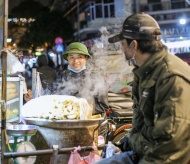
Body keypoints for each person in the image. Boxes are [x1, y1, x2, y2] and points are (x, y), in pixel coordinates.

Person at [93, 13, 190, 164]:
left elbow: (171, 149)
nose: (121, 48)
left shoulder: (170, 77)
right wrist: (128, 141)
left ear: (134, 45)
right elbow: (143, 123)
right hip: (142, 152)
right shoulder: (145, 71)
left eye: (123, 43)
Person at [53, 42, 109, 115]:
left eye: (80, 57)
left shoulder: (96, 77)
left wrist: (81, 111)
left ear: (86, 58)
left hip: (89, 124)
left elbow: (103, 106)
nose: (75, 61)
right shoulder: (61, 77)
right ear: (67, 59)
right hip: (66, 123)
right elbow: (55, 101)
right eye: (71, 57)